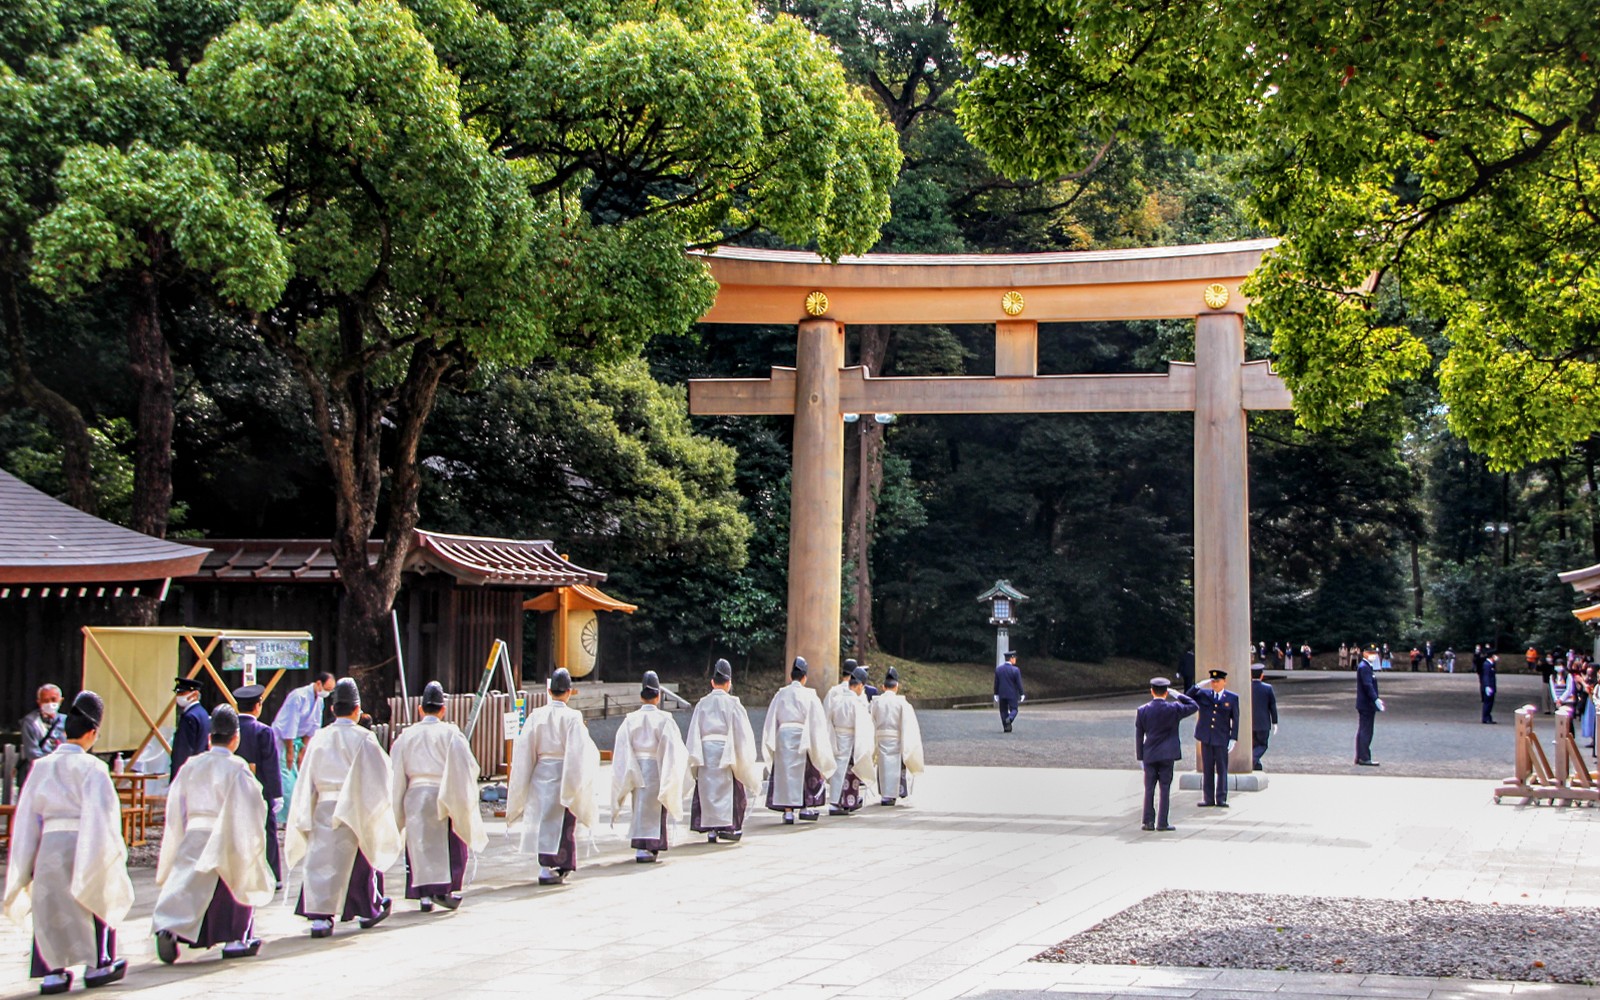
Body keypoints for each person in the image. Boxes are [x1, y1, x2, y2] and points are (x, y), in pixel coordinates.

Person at [3, 691, 132, 993]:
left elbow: (26, 817)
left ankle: (52, 971)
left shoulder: (42, 767)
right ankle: (98, 963)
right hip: (83, 839)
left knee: (49, 906)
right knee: (93, 896)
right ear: (92, 733)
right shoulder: (94, 768)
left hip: (49, 844)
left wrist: (27, 858)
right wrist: (110, 851)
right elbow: (104, 815)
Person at [152, 705, 273, 964]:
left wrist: (181, 831)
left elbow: (176, 803)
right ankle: (234, 938)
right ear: (236, 738)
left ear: (209, 737)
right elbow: (252, 804)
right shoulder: (237, 768)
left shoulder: (191, 766)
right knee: (232, 882)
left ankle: (170, 928)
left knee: (185, 883)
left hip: (196, 830)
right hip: (227, 831)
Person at [284, 678, 399, 939]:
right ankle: (367, 908)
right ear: (358, 710)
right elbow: (381, 774)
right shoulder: (365, 738)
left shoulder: (319, 739)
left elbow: (306, 778)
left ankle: (320, 917)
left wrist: (306, 809)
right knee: (358, 861)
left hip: (323, 804)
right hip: (355, 807)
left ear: (333, 710)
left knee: (320, 859)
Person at [389, 682, 487, 911]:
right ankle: (445, 889)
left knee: (419, 844)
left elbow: (395, 771)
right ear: (443, 709)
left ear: (420, 709)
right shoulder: (451, 734)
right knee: (449, 843)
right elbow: (468, 766)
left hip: (415, 794)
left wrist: (398, 802)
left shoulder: (406, 736)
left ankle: (423, 895)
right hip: (444, 792)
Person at [507, 668, 599, 885]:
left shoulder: (535, 715)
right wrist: (577, 781)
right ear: (569, 692)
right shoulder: (573, 717)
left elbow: (524, 751)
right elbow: (579, 752)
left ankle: (544, 867)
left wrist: (524, 779)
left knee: (543, 821)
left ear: (549, 690)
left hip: (541, 772)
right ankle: (558, 865)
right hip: (564, 773)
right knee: (562, 822)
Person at [610, 671, 688, 864]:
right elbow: (674, 749)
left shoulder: (630, 720)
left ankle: (640, 846)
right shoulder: (665, 719)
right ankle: (652, 846)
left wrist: (628, 770)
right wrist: (670, 771)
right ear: (658, 695)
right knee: (656, 804)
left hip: (636, 766)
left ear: (641, 695)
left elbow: (621, 749)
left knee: (639, 806)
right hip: (657, 766)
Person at [684, 659, 761, 844]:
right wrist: (745, 757)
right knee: (730, 789)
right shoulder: (733, 704)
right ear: (729, 683)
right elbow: (743, 734)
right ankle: (728, 827)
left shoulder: (702, 704)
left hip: (705, 750)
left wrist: (694, 757)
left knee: (707, 789)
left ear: (712, 682)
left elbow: (694, 731)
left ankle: (710, 830)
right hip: (727, 751)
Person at [763, 657, 836, 824]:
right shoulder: (810, 695)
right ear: (804, 677)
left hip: (783, 736)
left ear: (791, 676)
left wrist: (773, 739)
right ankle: (805, 807)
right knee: (806, 772)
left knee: (785, 774)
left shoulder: (780, 694)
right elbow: (817, 722)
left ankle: (788, 812)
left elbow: (771, 718)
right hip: (804, 736)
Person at [230, 685, 284, 888]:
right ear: (257, 705)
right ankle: (272, 873)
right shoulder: (263, 731)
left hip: (234, 789)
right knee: (267, 830)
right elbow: (270, 764)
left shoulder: (231, 729)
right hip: (259, 790)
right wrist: (276, 793)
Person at [1135, 678, 1198, 831]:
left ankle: (1148, 821)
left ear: (1151, 691)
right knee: (1165, 788)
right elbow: (1194, 706)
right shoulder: (1174, 708)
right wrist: (1178, 695)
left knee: (1149, 788)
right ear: (1166, 693)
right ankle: (1162, 822)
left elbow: (1139, 735)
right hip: (1167, 754)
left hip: (1150, 753)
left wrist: (1140, 756)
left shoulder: (1142, 710)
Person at [823, 666, 875, 815]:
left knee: (837, 770)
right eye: (862, 687)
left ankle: (836, 801)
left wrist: (831, 737)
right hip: (852, 738)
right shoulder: (856, 703)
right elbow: (864, 726)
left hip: (837, 737)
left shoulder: (836, 700)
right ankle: (843, 801)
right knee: (849, 772)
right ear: (859, 685)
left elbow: (827, 720)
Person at [869, 667, 924, 806]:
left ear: (883, 686)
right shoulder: (902, 703)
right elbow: (909, 726)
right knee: (895, 767)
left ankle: (884, 794)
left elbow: (870, 722)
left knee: (882, 766)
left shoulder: (875, 702)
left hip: (880, 737)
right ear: (897, 686)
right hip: (897, 738)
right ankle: (893, 794)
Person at [1186, 669, 1239, 808]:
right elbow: (1187, 697)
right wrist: (1198, 686)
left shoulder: (1232, 698)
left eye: (1218, 681)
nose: (1215, 684)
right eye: (1213, 682)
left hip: (1221, 738)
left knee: (1222, 769)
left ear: (1224, 682)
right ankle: (1208, 798)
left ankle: (1221, 798)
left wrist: (1233, 738)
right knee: (1208, 768)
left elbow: (1236, 719)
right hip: (1207, 737)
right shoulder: (1204, 694)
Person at [271, 671, 336, 780]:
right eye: (327, 689)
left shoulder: (320, 700)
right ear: (319, 683)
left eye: (330, 691)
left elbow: (314, 726)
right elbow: (290, 724)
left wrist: (303, 750)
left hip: (298, 740)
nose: (327, 693)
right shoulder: (298, 696)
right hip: (283, 739)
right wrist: (290, 752)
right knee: (285, 774)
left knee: (298, 775)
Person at [18, 685, 65, 790]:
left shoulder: (67, 721)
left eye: (53, 699)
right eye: (45, 700)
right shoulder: (30, 722)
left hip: (61, 776)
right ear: (39, 702)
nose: (50, 704)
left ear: (61, 700)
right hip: (36, 775)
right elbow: (33, 753)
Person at [170, 677, 211, 777]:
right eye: (178, 693)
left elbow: (183, 750)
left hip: (187, 773)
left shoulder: (190, 717)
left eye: (182, 693)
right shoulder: (202, 713)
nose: (178, 696)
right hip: (199, 769)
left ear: (195, 694)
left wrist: (177, 775)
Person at [1356, 646, 1384, 765]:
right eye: (1371, 653)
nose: (1374, 655)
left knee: (1363, 730)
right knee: (1366, 731)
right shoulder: (1364, 667)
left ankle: (1360, 756)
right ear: (1365, 653)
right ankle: (1364, 757)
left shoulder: (1366, 666)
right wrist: (1375, 699)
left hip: (1365, 704)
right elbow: (1368, 685)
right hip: (1366, 704)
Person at [1250, 664, 1278, 771]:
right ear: (1262, 675)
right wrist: (1275, 722)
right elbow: (1272, 706)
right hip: (1263, 723)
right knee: (1262, 744)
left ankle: (1257, 765)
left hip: (1249, 723)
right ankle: (1252, 760)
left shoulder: (1246, 687)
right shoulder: (1267, 688)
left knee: (1253, 745)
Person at [994, 650, 1025, 733]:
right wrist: (1022, 693)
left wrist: (996, 693)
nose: (1015, 659)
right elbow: (1019, 683)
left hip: (1002, 693)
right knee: (1014, 709)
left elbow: (996, 683)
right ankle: (1010, 719)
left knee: (1003, 710)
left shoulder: (999, 669)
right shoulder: (1015, 670)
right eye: (1014, 658)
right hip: (1012, 694)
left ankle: (1006, 726)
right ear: (1011, 659)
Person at [1481, 652, 1498, 724]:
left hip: (1491, 686)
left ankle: (1488, 717)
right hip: (1489, 686)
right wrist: (1487, 686)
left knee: (1490, 703)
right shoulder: (1487, 664)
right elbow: (1486, 676)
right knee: (1487, 703)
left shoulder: (1491, 664)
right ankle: (1486, 718)